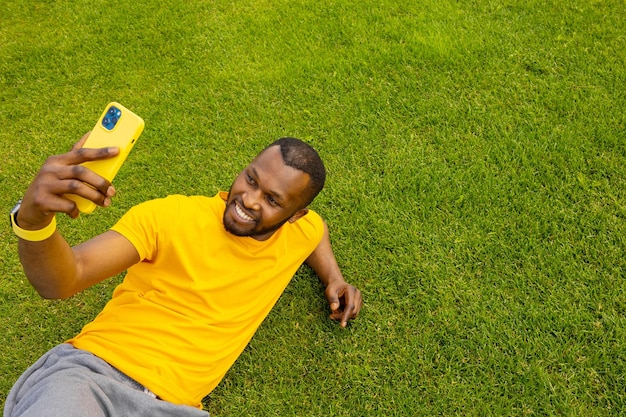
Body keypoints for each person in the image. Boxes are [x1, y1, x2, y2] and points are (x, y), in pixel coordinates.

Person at [5, 133, 362, 417]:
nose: (249, 200)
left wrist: (334, 277)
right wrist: (34, 223)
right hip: (93, 377)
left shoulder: (302, 230)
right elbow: (64, 279)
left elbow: (318, 232)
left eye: (272, 200)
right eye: (250, 179)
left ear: (295, 214)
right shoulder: (170, 217)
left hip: (177, 408)